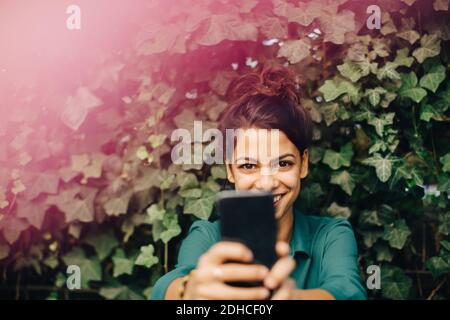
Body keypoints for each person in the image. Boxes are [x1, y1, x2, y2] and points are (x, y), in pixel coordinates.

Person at [151, 64, 367, 300]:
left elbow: (348, 292)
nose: (266, 183)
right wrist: (188, 292)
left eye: (283, 163)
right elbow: (171, 285)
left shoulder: (330, 235)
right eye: (248, 166)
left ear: (303, 164)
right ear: (230, 171)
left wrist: (292, 298)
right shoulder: (207, 236)